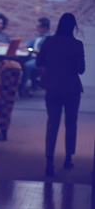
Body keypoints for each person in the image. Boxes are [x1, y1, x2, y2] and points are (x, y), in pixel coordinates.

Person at [36, 13, 85, 176]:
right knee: (71, 123)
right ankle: (68, 158)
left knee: (52, 122)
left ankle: (49, 160)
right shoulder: (77, 44)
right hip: (71, 88)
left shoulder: (49, 42)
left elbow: (39, 63)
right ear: (73, 27)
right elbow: (81, 69)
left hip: (52, 86)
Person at [18, 17, 52, 97]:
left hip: (40, 60)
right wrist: (19, 46)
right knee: (18, 61)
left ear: (45, 27)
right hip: (32, 58)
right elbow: (29, 43)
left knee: (26, 65)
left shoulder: (49, 38)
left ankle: (22, 89)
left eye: (39, 26)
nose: (37, 28)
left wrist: (30, 50)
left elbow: (44, 52)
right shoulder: (39, 37)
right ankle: (23, 86)